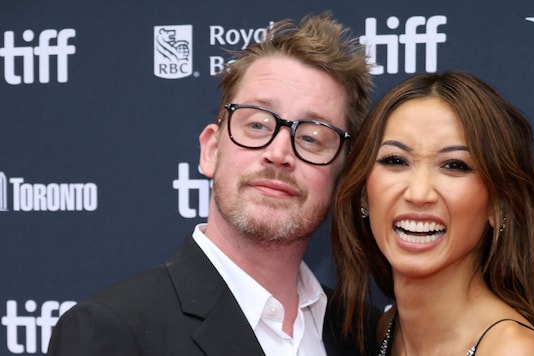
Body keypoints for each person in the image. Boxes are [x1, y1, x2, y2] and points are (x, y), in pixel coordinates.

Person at [48, 12, 379, 356]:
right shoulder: (111, 332)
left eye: (311, 138)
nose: (279, 153)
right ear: (211, 150)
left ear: (343, 175)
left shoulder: (364, 335)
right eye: (257, 125)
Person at [331, 70, 534, 356]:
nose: (418, 194)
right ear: (364, 193)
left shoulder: (511, 349)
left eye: (454, 165)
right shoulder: (387, 330)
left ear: (499, 204)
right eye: (395, 160)